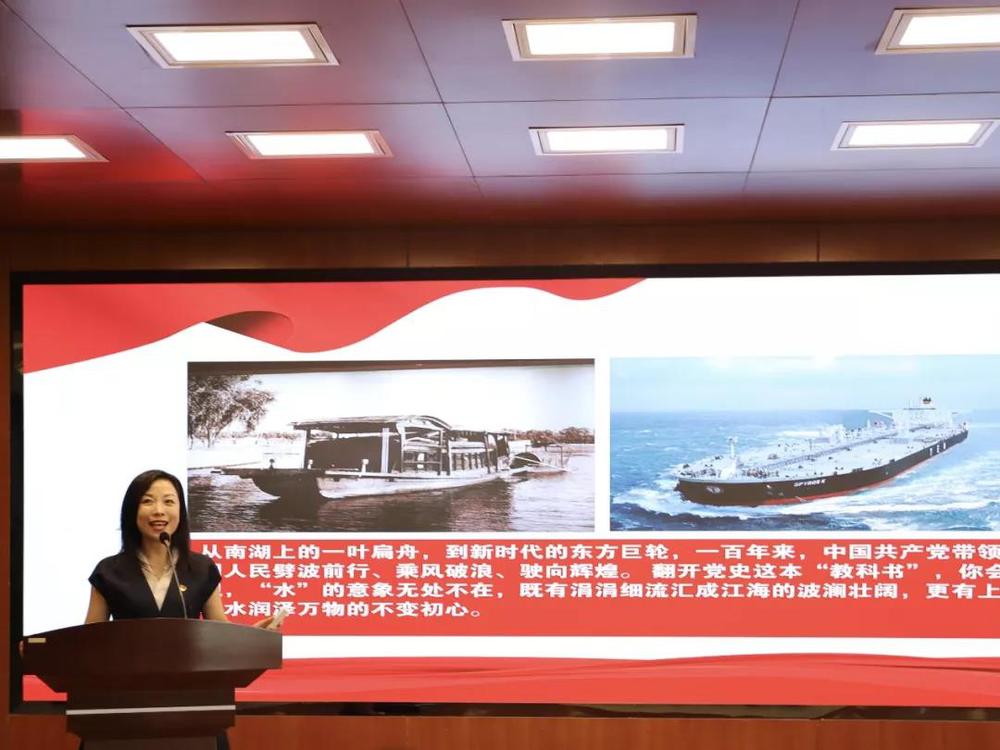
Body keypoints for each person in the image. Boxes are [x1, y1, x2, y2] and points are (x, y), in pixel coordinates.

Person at [84, 469, 279, 749]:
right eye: (148, 501)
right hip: (125, 707)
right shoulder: (109, 571)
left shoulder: (201, 568)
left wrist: (251, 637)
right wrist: (46, 650)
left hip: (191, 708)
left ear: (181, 511)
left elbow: (220, 633)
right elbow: (88, 639)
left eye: (169, 501)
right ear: (132, 511)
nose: (159, 510)